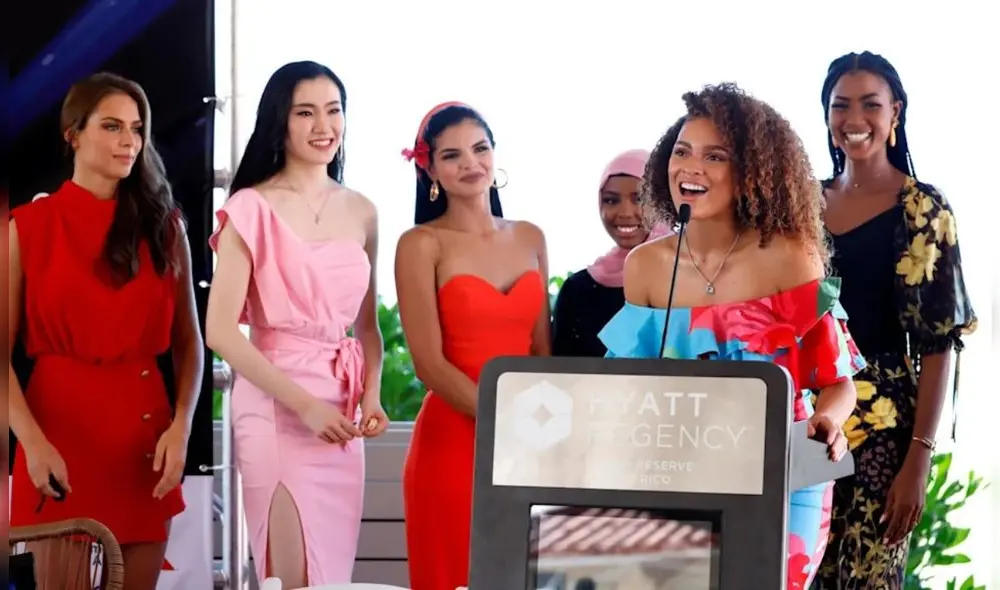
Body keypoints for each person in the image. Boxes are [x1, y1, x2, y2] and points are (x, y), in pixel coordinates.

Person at [599, 83, 866, 589]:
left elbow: (839, 382)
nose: (690, 168)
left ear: (750, 172)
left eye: (714, 156)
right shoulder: (647, 268)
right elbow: (624, 391)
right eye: (682, 152)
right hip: (682, 476)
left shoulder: (791, 257)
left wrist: (828, 422)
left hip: (787, 475)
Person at [8, 72, 203, 589]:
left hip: (144, 438)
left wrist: (182, 425)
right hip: (56, 438)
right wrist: (31, 440)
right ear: (73, 133)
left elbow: (190, 343)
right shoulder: (27, 227)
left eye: (137, 129)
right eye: (112, 126)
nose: (129, 142)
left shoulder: (165, 225)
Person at [205, 61, 388, 586]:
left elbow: (368, 330)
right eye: (305, 112)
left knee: (329, 577)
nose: (322, 126)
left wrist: (371, 395)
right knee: (292, 579)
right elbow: (219, 332)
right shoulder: (250, 206)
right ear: (279, 122)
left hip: (342, 414)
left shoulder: (363, 211)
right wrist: (303, 404)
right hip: (275, 408)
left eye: (333, 111)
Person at [813, 51, 977, 589]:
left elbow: (938, 344)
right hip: (802, 417)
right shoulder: (801, 206)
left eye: (870, 104)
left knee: (865, 578)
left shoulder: (922, 208)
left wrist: (918, 463)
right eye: (840, 105)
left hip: (884, 430)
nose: (853, 119)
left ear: (895, 114)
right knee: (792, 571)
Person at [395, 102, 551, 590]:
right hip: (453, 444)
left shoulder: (531, 237)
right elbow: (428, 364)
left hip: (530, 441)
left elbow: (543, 353)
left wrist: (538, 428)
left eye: (480, 148)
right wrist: (504, 419)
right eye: (452, 155)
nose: (471, 163)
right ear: (430, 168)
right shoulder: (420, 244)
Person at [551, 148, 669, 357]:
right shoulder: (577, 290)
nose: (624, 213)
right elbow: (560, 374)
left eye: (639, 199)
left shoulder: (686, 277)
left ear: (661, 201)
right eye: (611, 200)